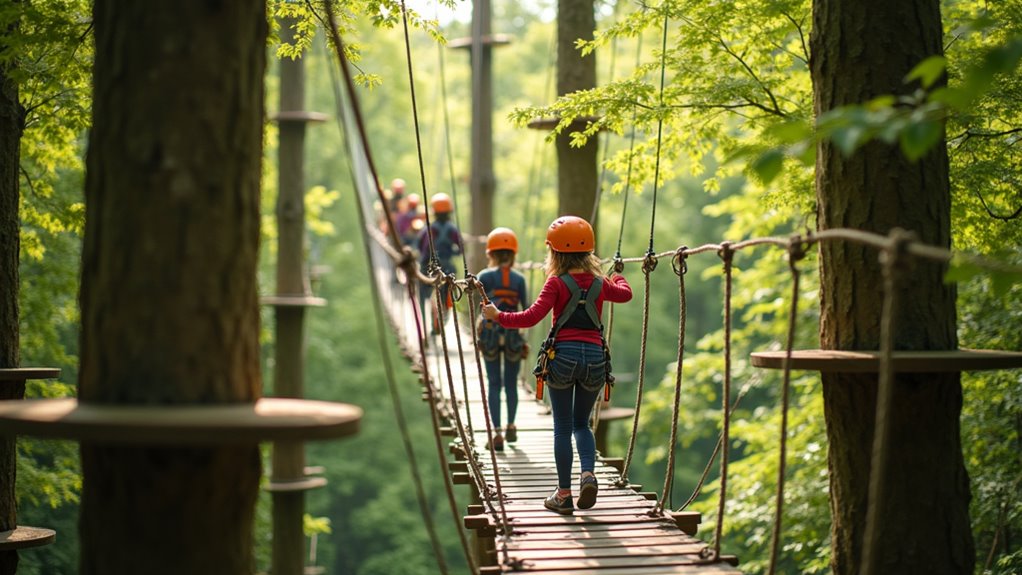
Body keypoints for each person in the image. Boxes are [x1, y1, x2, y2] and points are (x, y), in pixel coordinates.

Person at [481, 215, 632, 515]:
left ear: (555, 252)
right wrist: (618, 276)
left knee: (562, 426)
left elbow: (530, 317)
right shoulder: (601, 284)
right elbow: (625, 294)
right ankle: (587, 473)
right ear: (588, 250)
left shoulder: (556, 283)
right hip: (594, 359)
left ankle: (564, 495)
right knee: (582, 424)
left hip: (561, 357)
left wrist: (497, 316)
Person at [476, 228, 529, 452]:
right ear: (513, 254)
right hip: (512, 334)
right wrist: (522, 337)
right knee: (511, 384)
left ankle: (496, 434)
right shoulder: (519, 279)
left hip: (489, 334)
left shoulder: (483, 277)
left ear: (491, 253)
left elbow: (476, 308)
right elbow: (526, 309)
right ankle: (511, 425)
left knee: (494, 384)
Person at [417, 193, 462, 333]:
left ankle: (428, 322)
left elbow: (421, 247)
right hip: (447, 268)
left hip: (428, 267)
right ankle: (443, 317)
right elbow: (460, 249)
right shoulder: (453, 229)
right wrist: (451, 252)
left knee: (424, 294)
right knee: (446, 294)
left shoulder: (428, 229)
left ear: (433, 211)